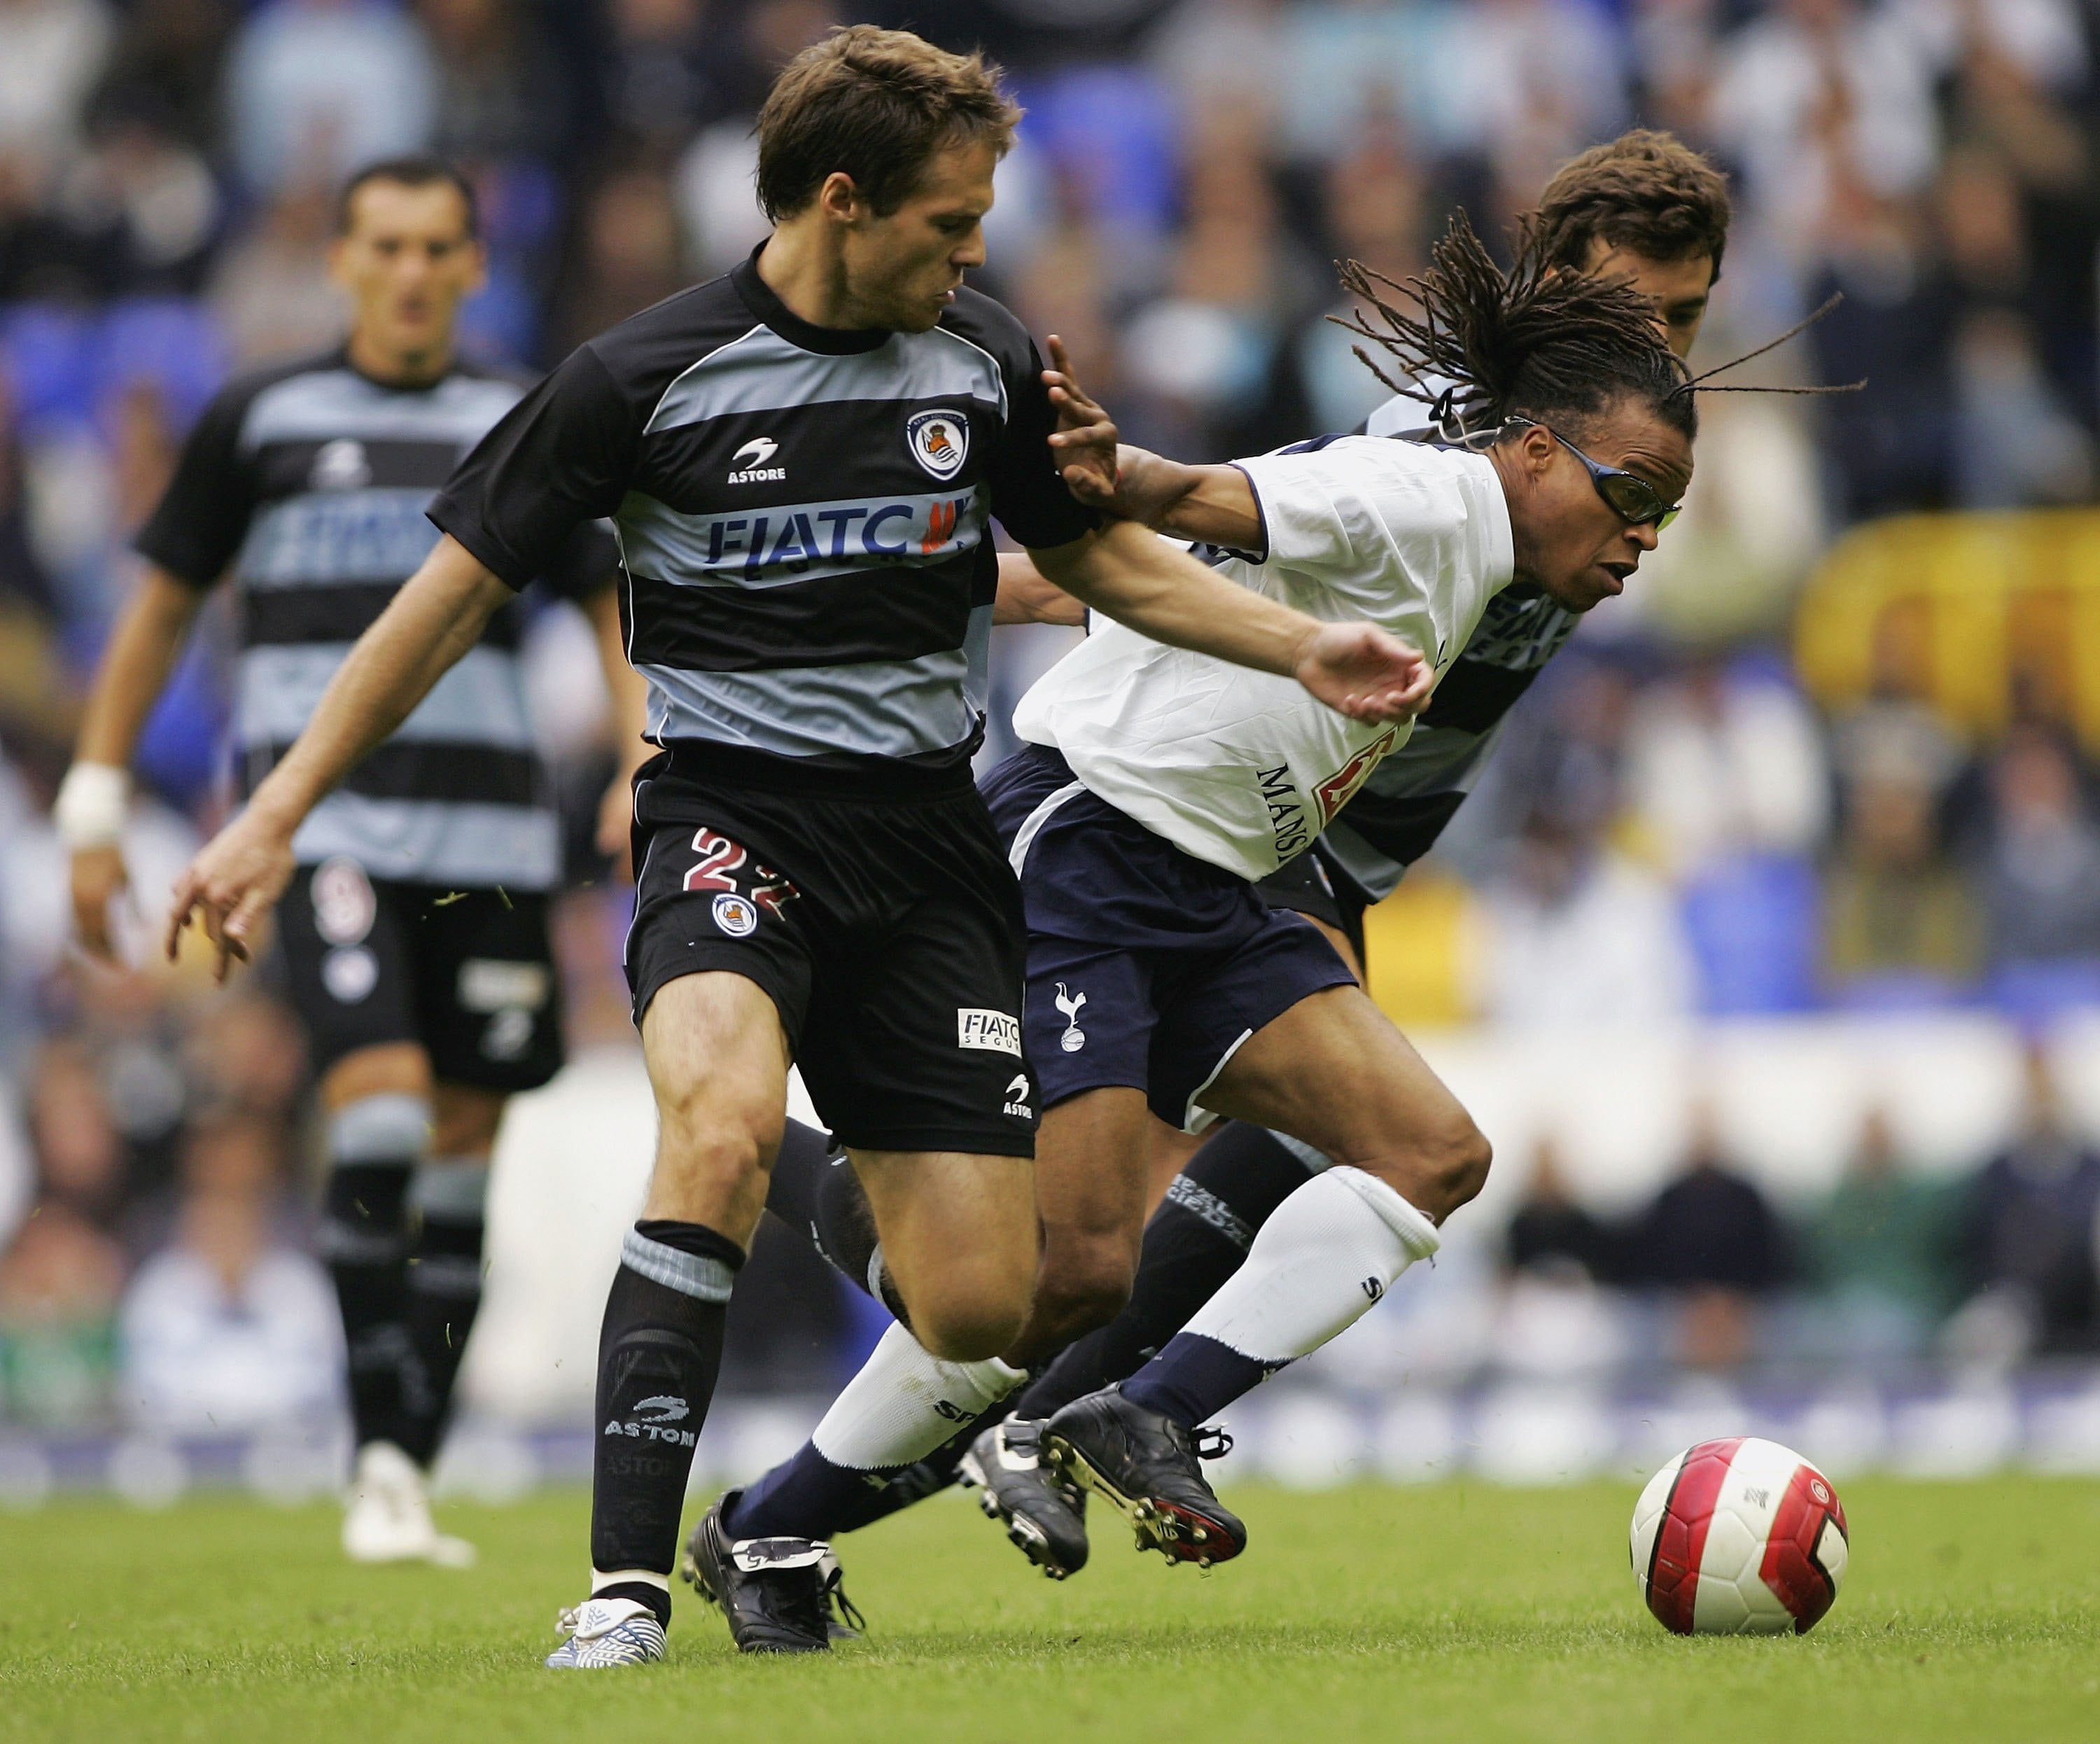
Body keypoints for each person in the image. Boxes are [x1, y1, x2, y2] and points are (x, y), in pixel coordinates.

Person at [157, 27, 1431, 1672]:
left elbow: (1101, 560)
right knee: (718, 1121)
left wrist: (1297, 650)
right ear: (844, 201)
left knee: (983, 1302)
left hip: (928, 850)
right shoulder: (638, 378)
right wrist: (271, 814)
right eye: (952, 222)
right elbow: (447, 598)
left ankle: (827, 1202)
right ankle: (619, 1590)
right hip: (730, 820)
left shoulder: (976, 356)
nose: (978, 254)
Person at [751, 129, 1733, 1583]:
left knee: (1330, 1179)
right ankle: (825, 1252)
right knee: (1070, 1264)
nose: (1662, 349)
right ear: (1550, 306)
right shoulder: (1456, 464)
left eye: (1688, 322)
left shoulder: (1610, 475)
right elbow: (1222, 525)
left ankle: (1043, 1432)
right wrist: (1041, 542)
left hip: (1287, 846)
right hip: (1154, 824)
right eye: (1632, 314)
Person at [56, 155, 640, 1568]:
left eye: (441, 246)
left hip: (492, 837)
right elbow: (160, 606)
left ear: (473, 263)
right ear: (342, 261)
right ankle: (381, 1454)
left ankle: (401, 1461)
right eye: (386, 245)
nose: (414, 271)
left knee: (460, 1159)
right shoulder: (264, 414)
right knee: (376, 1116)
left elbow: (606, 597)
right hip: (324, 832)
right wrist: (93, 799)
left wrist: (637, 753)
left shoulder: (516, 416)